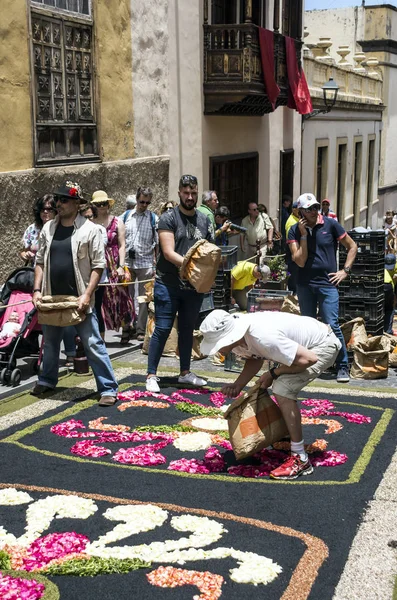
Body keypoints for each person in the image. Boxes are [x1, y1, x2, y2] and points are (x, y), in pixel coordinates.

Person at [200, 309, 341, 480]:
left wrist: (273, 373)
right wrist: (238, 385)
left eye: (218, 344)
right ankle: (287, 432)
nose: (218, 350)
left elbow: (308, 359)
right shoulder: (239, 337)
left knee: (282, 388)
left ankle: (300, 458)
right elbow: (255, 357)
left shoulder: (262, 336)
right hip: (307, 347)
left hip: (321, 346)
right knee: (279, 384)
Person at [31, 181, 118, 406]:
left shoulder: (90, 230)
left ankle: (108, 387)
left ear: (77, 203)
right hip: (51, 297)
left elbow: (99, 265)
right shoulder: (48, 228)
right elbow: (39, 261)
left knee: (92, 343)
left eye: (64, 200)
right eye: (57, 200)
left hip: (79, 298)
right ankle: (47, 380)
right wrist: (37, 290)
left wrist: (88, 294)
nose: (58, 204)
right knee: (50, 343)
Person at [146, 174, 213, 393]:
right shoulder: (168, 218)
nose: (190, 197)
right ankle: (151, 375)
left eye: (194, 192)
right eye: (186, 193)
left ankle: (185, 372)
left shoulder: (204, 219)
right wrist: (193, 268)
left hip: (193, 287)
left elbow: (208, 251)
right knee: (163, 327)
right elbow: (167, 252)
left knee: (187, 329)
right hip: (168, 283)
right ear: (179, 193)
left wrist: (208, 273)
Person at [287, 193, 357, 383]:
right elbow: (300, 261)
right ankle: (311, 363)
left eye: (315, 207)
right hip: (304, 285)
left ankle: (342, 366)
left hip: (328, 284)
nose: (313, 211)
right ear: (300, 211)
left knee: (331, 324)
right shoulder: (294, 231)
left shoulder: (331, 224)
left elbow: (352, 246)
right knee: (308, 327)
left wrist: (345, 271)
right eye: (309, 208)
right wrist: (303, 236)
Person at [20, 194, 76, 366]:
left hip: (57, 278)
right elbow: (23, 251)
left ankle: (71, 353)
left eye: (50, 209)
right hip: (37, 278)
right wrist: (26, 254)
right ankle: (41, 352)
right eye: (43, 209)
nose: (46, 212)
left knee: (64, 315)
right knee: (41, 317)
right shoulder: (32, 229)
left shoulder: (61, 227)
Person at [92, 190, 134, 344]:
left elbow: (122, 245)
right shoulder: (91, 223)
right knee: (102, 299)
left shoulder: (117, 222)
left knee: (121, 296)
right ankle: (101, 331)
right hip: (98, 262)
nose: (102, 206)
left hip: (114, 262)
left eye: (104, 203)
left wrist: (121, 266)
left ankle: (126, 327)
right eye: (98, 204)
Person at [124, 186, 158, 341]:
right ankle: (127, 326)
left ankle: (140, 329)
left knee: (144, 298)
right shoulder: (125, 217)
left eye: (147, 203)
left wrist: (156, 265)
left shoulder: (153, 218)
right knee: (126, 296)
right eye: (142, 201)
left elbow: (157, 244)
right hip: (127, 262)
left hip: (145, 262)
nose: (144, 205)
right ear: (136, 199)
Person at [80, 203, 108, 339]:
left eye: (90, 216)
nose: (88, 219)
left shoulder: (99, 229)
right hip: (82, 276)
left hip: (98, 278)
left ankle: (100, 340)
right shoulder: (77, 230)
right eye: (85, 217)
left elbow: (99, 248)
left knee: (96, 308)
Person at [285, 201, 300, 293]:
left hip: (297, 250)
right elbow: (290, 240)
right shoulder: (291, 222)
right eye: (299, 210)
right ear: (294, 210)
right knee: (293, 274)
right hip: (293, 251)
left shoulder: (297, 219)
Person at [384, 253, 397, 334]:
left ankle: (387, 330)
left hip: (390, 287)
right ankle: (387, 330)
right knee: (389, 308)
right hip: (388, 286)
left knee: (388, 307)